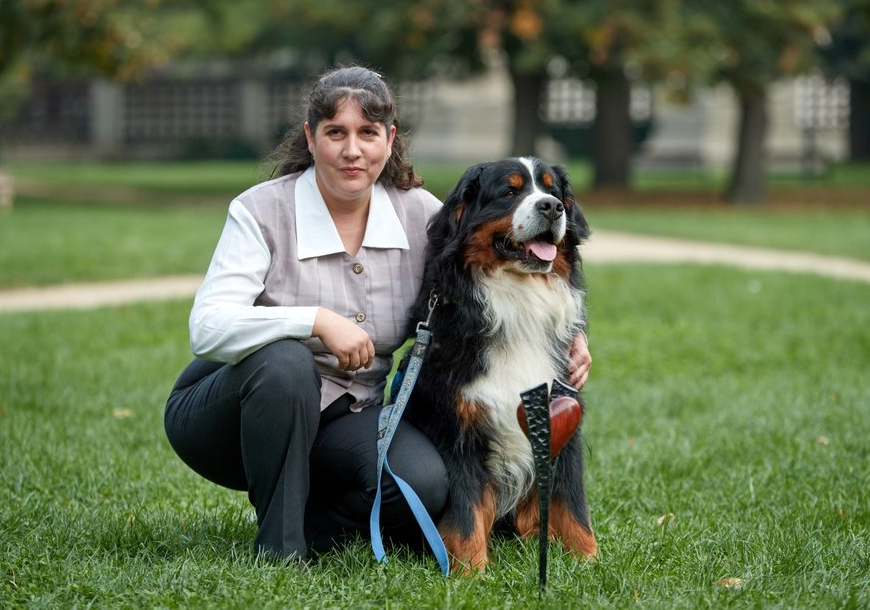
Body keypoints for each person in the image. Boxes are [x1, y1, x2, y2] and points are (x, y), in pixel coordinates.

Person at [163, 65, 593, 563]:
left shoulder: (419, 215)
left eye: (367, 133)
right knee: (285, 362)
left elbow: (485, 285)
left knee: (426, 486)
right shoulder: (260, 210)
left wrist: (568, 337)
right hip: (233, 412)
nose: (352, 150)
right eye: (335, 133)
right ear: (311, 137)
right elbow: (208, 327)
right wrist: (315, 321)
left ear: (389, 140)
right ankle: (280, 548)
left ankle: (314, 519)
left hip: (350, 414)